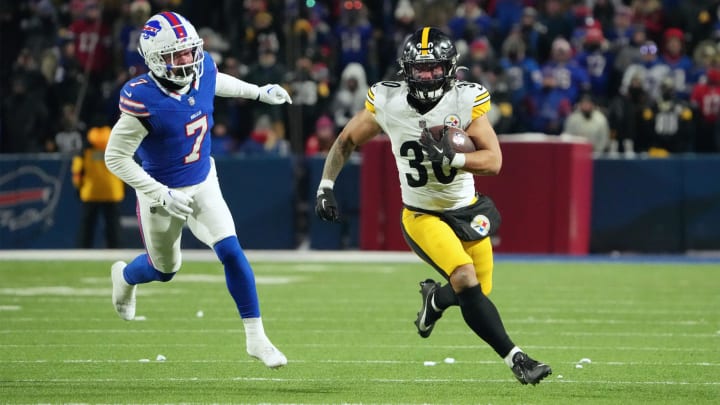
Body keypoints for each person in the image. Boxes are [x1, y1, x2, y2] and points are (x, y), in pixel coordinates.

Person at [314, 26, 552, 385]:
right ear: (406, 71)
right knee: (465, 280)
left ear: (450, 68)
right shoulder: (387, 101)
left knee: (477, 295)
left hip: (467, 209)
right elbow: (347, 140)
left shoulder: (464, 100)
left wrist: (453, 158)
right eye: (419, 70)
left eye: (434, 69)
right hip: (422, 214)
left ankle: (435, 301)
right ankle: (517, 359)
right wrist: (326, 184)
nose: (426, 77)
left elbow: (494, 161)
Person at [104, 11, 291, 369]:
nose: (188, 60)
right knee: (165, 270)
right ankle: (125, 277)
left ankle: (257, 338)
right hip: (160, 193)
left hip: (203, 180)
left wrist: (258, 93)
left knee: (232, 251)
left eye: (190, 51)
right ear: (155, 59)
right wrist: (159, 192)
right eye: (177, 55)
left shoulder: (201, 69)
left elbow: (219, 82)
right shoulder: (144, 100)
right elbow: (115, 158)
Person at [72, 125, 124, 248]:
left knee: (87, 225)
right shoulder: (114, 143)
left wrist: (78, 187)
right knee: (113, 225)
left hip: (91, 191)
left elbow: (77, 169)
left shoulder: (86, 147)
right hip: (112, 191)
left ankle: (84, 250)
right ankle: (115, 250)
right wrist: (123, 188)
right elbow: (124, 166)